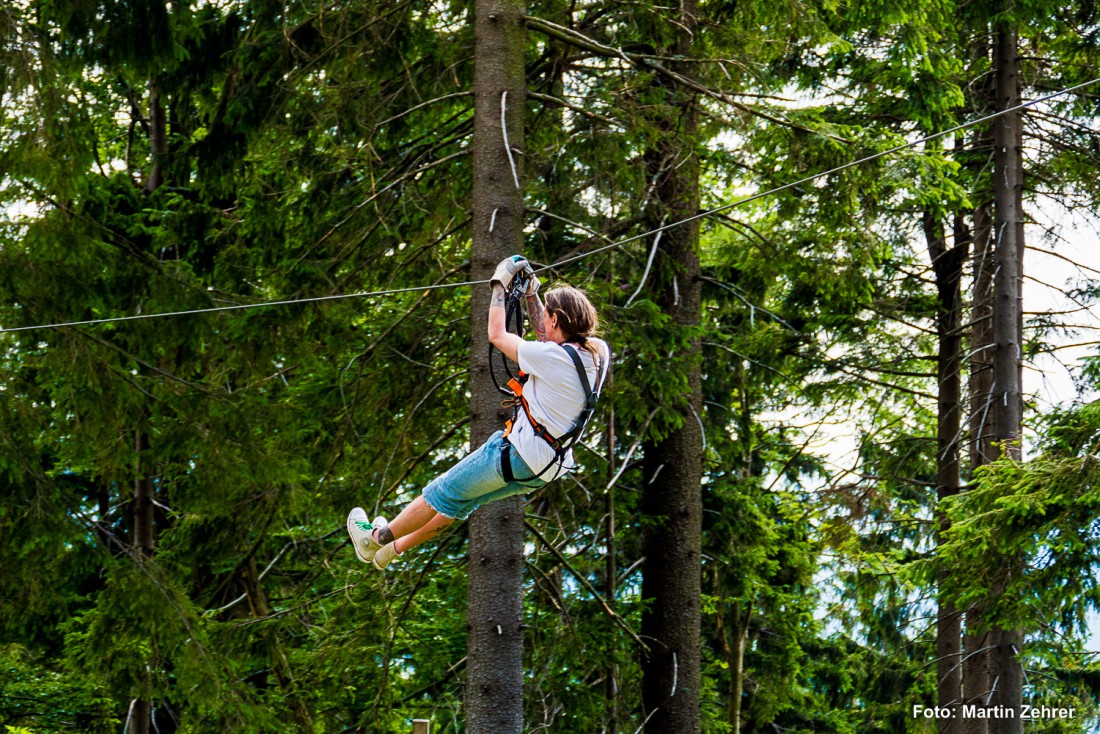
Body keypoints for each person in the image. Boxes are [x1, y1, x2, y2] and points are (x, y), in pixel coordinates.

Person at [346, 255, 610, 570]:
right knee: (459, 500)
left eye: (549, 318)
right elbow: (547, 336)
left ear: (555, 320)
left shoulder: (553, 357)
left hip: (518, 454)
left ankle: (374, 539)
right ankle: (393, 550)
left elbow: (498, 335)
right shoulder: (597, 352)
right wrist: (531, 295)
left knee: (441, 490)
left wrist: (500, 284)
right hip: (548, 466)